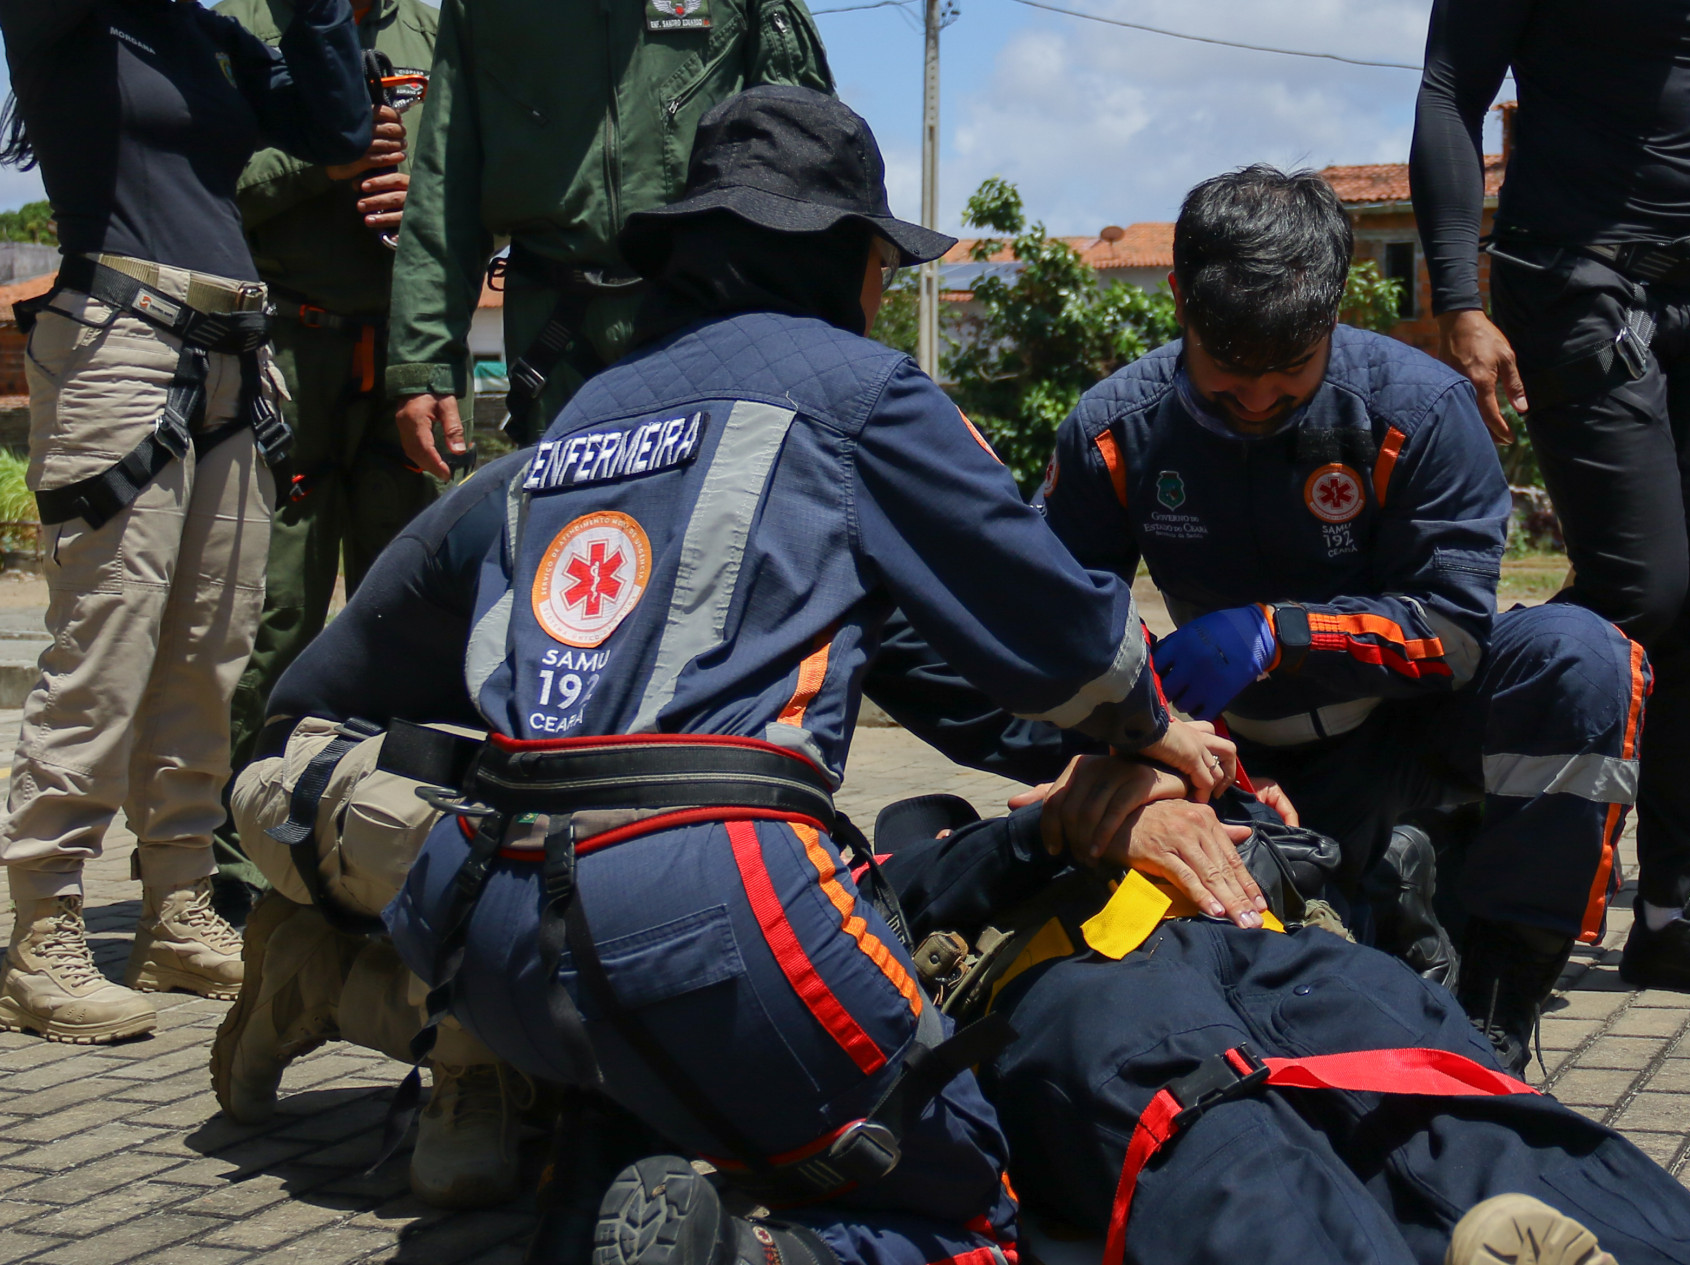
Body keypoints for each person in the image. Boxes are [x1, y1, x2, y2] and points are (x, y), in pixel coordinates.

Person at [234, 86, 1227, 1265]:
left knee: (691, 1083)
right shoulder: (858, 388)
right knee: (968, 1199)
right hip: (707, 890)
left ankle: (602, 1170)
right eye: (880, 262)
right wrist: (1152, 726)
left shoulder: (582, 418)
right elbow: (1059, 625)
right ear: (844, 257)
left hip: (487, 910)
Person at [1031, 164, 1650, 1075]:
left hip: (1409, 732)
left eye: (1289, 377)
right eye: (1227, 378)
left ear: (1333, 313)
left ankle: (1499, 1004)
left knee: (1583, 657)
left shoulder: (1420, 410)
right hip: (1237, 762)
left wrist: (1281, 633)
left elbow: (1456, 633)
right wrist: (1138, 741)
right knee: (1274, 976)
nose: (1255, 404)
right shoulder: (1114, 432)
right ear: (1180, 302)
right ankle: (1388, 882)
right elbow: (1051, 630)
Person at [868, 757, 1690, 1265]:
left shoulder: (1160, 786)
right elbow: (885, 904)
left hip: (1278, 952)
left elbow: (1314, 848)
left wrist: (1225, 794)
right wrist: (1040, 828)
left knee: (1456, 1103)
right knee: (1220, 1135)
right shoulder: (936, 867)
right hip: (1086, 985)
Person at [1411, 0, 1690, 1006]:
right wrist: (1459, 299)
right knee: (1644, 587)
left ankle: (1676, 915)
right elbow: (1451, 94)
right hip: (1573, 278)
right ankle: (1432, 777)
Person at [0, 0, 370, 1044]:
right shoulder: (62, 23)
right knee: (106, 643)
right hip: (119, 344)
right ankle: (42, 935)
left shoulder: (202, 33)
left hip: (232, 356)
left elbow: (338, 127)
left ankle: (175, 910)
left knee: (211, 650)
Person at [206, 0, 444, 926]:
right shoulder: (238, 23)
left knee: (408, 614)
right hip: (284, 352)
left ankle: (383, 838)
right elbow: (202, 186)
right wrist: (325, 163)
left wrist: (429, 199)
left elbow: (480, 177)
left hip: (405, 360)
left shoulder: (435, 30)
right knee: (272, 614)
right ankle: (234, 854)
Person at [384, 0, 835, 479]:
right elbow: (445, 183)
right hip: (556, 344)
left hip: (711, 323)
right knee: (568, 522)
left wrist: (816, 341)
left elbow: (805, 160)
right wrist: (424, 366)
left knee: (717, 514)